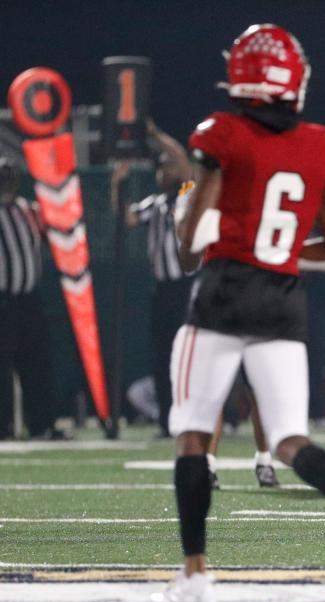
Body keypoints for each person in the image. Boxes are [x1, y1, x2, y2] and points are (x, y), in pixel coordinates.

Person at [164, 24, 325, 602]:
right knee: (292, 439)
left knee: (194, 437)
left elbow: (191, 247)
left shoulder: (221, 133)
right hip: (284, 300)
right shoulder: (319, 142)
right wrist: (283, 253)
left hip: (222, 294)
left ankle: (195, 572)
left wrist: (184, 218)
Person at [112, 121, 194, 439]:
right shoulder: (155, 204)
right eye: (160, 169)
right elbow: (127, 217)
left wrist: (155, 134)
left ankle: (207, 416)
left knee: (189, 355)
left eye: (167, 168)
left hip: (187, 287)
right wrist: (117, 184)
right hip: (161, 290)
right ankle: (166, 419)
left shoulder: (188, 194)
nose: (163, 172)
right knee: (162, 355)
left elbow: (184, 161)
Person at [0, 158, 60, 441]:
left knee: (38, 362)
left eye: (9, 177)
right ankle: (4, 428)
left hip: (29, 299)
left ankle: (42, 425)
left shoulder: (28, 210)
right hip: (3, 300)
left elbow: (52, 235)